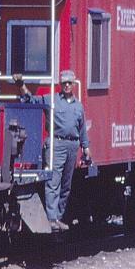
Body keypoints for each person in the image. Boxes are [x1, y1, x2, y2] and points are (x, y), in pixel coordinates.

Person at [13, 69, 91, 232]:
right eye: (64, 83)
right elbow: (30, 100)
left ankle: (58, 217)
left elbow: (82, 128)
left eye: (70, 83)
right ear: (61, 85)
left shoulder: (78, 106)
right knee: (53, 182)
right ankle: (52, 218)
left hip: (72, 146)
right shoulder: (52, 100)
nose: (67, 85)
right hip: (56, 144)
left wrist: (86, 147)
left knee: (66, 185)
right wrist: (21, 85)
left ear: (74, 84)